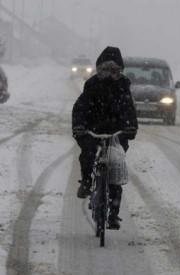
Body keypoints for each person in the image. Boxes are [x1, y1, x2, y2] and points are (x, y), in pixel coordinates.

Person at [72, 46, 138, 229]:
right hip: (94, 129)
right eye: (105, 69)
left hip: (117, 132)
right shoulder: (92, 84)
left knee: (115, 170)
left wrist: (130, 127)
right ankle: (86, 181)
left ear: (119, 70)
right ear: (99, 68)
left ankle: (113, 215)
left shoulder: (124, 84)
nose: (109, 73)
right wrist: (79, 127)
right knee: (87, 153)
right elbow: (81, 107)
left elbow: (128, 108)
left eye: (113, 69)